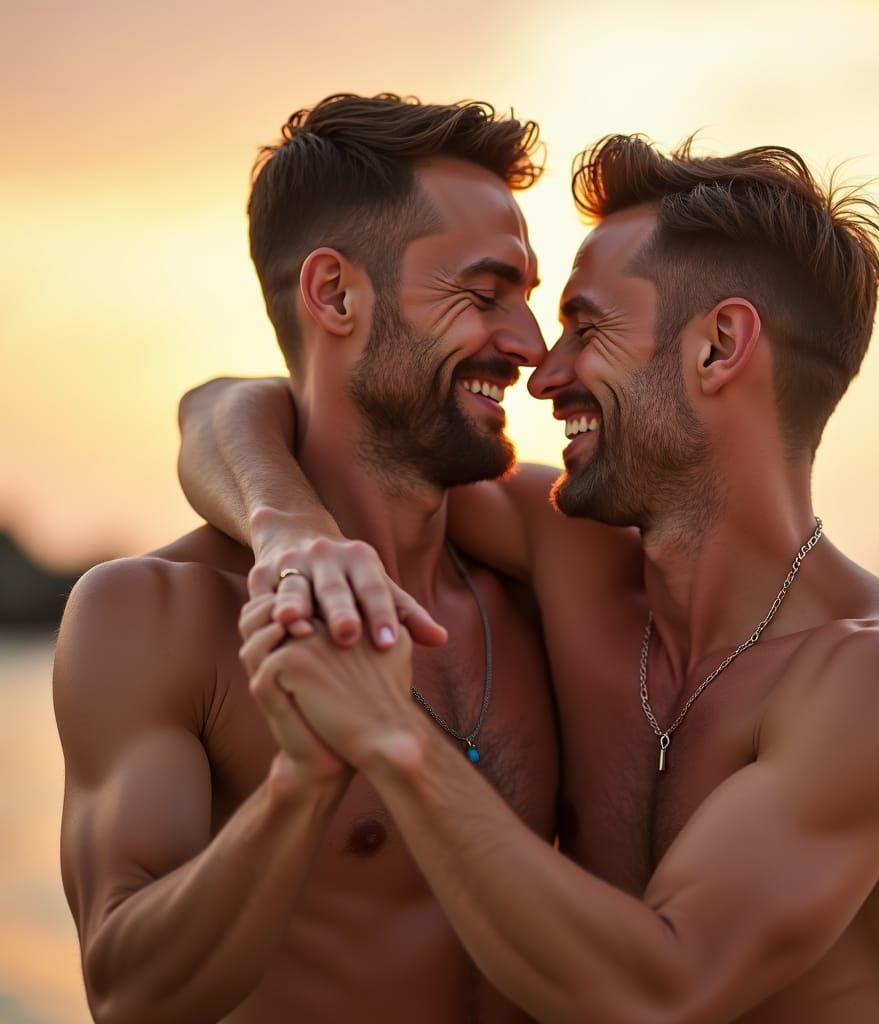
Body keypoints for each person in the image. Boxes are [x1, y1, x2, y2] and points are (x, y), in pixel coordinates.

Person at [178, 134, 879, 1022]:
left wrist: (388, 733)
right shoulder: (574, 553)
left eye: (588, 326)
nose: (547, 371)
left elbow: (660, 992)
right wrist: (289, 533)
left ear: (719, 347)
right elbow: (225, 411)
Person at [53, 93, 561, 1024]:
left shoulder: (547, 588)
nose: (530, 346)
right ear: (334, 294)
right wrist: (307, 781)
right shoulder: (155, 615)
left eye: (527, 297)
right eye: (485, 295)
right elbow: (126, 991)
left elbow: (219, 404)